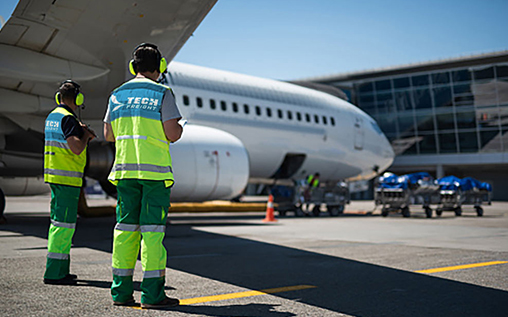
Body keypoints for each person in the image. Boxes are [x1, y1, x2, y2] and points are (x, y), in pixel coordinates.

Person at [103, 43, 183, 308]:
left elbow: (108, 135)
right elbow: (172, 134)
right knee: (152, 234)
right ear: (159, 67)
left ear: (133, 67)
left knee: (124, 232)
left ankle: (121, 294)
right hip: (154, 175)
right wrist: (179, 129)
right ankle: (152, 294)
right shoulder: (163, 93)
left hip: (125, 172)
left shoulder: (117, 94)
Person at [43, 80, 96, 285]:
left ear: (59, 98)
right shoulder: (69, 119)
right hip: (67, 179)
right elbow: (75, 148)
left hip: (56, 176)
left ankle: (61, 270)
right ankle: (54, 273)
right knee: (63, 227)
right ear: (78, 100)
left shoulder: (53, 116)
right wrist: (86, 136)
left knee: (60, 225)